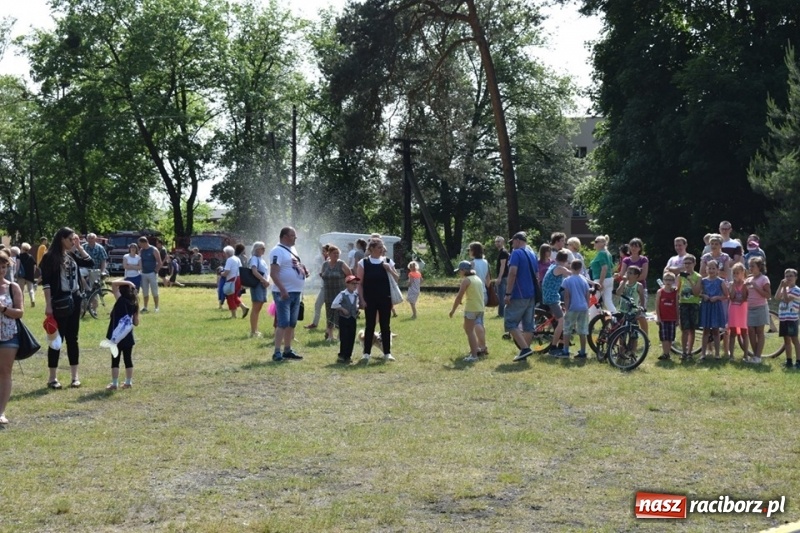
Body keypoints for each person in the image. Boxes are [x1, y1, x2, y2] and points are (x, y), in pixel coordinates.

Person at [42, 227, 95, 389]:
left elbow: (90, 263)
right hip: (59, 301)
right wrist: (48, 305)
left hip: (75, 298)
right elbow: (46, 283)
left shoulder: (71, 255)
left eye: (74, 239)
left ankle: (74, 377)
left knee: (73, 338)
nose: (73, 241)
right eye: (71, 239)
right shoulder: (49, 257)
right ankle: (52, 378)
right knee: (57, 339)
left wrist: (79, 247)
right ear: (61, 239)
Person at [356, 238, 399, 362]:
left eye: (382, 247)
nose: (382, 249)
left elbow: (397, 279)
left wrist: (389, 269)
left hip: (385, 299)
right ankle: (366, 353)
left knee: (385, 325)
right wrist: (362, 299)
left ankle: (387, 353)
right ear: (372, 249)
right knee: (369, 326)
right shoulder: (363, 263)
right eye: (379, 247)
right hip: (369, 299)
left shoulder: (388, 261)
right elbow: (360, 283)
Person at [269, 227, 308, 361]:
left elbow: (292, 266)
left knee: (292, 323)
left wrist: (302, 270)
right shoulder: (277, 251)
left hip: (295, 292)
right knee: (283, 323)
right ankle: (277, 352)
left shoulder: (292, 250)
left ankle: (287, 349)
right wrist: (282, 290)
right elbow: (273, 273)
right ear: (285, 236)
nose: (295, 238)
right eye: (293, 236)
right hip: (284, 292)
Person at [505, 232, 539, 362]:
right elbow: (537, 275)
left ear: (518, 241)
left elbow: (512, 273)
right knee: (529, 325)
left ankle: (525, 349)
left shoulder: (516, 253)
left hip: (519, 293)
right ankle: (524, 352)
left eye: (512, 242)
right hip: (531, 293)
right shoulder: (532, 254)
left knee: (510, 322)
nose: (512, 245)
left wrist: (508, 293)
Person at [0, 250, 24, 425]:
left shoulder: (12, 287)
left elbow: (19, 312)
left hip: (9, 336)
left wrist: (2, 309)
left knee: (5, 372)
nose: (1, 270)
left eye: (3, 267)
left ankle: (1, 411)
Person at [105, 279, 140, 390]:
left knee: (115, 360)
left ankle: (114, 384)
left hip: (116, 336)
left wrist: (128, 283)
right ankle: (128, 382)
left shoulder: (120, 300)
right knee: (128, 359)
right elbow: (136, 322)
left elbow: (114, 283)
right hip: (128, 335)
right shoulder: (134, 304)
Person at [449, 261, 486, 362]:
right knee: (468, 327)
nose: (459, 273)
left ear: (464, 270)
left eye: (459, 271)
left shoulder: (466, 280)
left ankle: (474, 355)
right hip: (480, 308)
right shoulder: (477, 278)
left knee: (469, 331)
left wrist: (452, 310)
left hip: (471, 308)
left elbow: (459, 296)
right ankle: (479, 348)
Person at [695, 261, 728, 359]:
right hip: (706, 307)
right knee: (705, 331)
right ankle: (703, 353)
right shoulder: (703, 281)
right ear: (706, 269)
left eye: (713, 268)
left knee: (716, 331)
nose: (711, 270)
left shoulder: (720, 281)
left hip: (716, 307)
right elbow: (697, 292)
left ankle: (717, 354)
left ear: (717, 270)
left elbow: (726, 295)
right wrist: (703, 295)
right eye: (709, 268)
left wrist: (717, 297)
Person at [542, 250, 570, 356]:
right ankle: (553, 348)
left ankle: (562, 345)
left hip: (550, 296)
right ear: (565, 260)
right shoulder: (560, 268)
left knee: (564, 318)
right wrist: (591, 283)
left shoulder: (553, 265)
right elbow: (574, 275)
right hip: (552, 298)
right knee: (561, 321)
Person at [321, 245, 351, 342]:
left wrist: (349, 287)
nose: (336, 255)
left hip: (339, 293)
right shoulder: (325, 264)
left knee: (340, 314)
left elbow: (350, 275)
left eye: (338, 253)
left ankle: (339, 335)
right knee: (329, 314)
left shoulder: (341, 264)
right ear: (329, 254)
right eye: (334, 253)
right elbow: (322, 274)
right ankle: (330, 336)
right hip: (328, 293)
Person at [619, 238, 650, 335]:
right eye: (632, 245)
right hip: (628, 288)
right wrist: (628, 280)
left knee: (640, 315)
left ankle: (645, 336)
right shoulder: (626, 260)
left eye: (636, 246)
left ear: (640, 248)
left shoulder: (643, 259)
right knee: (627, 314)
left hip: (640, 288)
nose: (634, 248)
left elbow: (644, 275)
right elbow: (622, 273)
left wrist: (632, 280)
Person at [561, 259, 590, 359]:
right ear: (581, 268)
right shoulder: (583, 279)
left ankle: (565, 350)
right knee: (582, 330)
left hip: (573, 307)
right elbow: (587, 294)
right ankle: (582, 351)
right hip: (583, 307)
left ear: (571, 268)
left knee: (567, 329)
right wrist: (587, 305)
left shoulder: (567, 280)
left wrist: (567, 308)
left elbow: (567, 296)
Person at [745, 256, 771, 364]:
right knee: (751, 331)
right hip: (750, 308)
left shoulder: (764, 279)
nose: (750, 268)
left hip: (760, 307)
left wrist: (756, 287)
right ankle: (755, 356)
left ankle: (758, 356)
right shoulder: (749, 279)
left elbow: (768, 295)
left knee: (759, 332)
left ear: (759, 267)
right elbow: (745, 295)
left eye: (752, 266)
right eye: (749, 265)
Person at [331, 275, 361, 364]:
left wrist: (357, 308)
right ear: (347, 284)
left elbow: (357, 304)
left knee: (351, 337)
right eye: (352, 283)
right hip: (344, 318)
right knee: (344, 337)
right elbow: (334, 304)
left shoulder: (356, 295)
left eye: (356, 283)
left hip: (352, 318)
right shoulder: (342, 294)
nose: (355, 285)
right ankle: (342, 355)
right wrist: (342, 309)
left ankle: (348, 355)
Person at [677, 254, 702, 360]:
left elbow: (696, 293)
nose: (687, 265)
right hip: (683, 304)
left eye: (689, 263)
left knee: (692, 329)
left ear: (694, 264)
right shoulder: (680, 276)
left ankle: (690, 352)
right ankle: (683, 351)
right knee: (684, 329)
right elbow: (677, 290)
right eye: (685, 263)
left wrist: (690, 279)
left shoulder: (698, 277)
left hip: (693, 304)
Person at [776, 268, 800, 369]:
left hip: (792, 318)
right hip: (784, 318)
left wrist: (785, 290)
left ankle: (798, 360)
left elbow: (786, 300)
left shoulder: (797, 290)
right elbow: (777, 297)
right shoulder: (784, 288)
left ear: (796, 278)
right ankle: (789, 360)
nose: (788, 278)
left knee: (794, 339)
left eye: (791, 276)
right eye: (787, 276)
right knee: (786, 340)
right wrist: (781, 286)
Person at [247, 242, 270, 338]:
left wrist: (267, 281)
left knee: (259, 307)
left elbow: (267, 272)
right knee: (256, 307)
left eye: (264, 248)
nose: (264, 250)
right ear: (257, 249)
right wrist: (263, 280)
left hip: (262, 284)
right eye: (262, 248)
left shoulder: (262, 260)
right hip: (257, 285)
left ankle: (256, 329)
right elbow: (254, 271)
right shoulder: (254, 259)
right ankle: (253, 331)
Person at [727, 262, 749, 361]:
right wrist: (733, 287)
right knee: (732, 333)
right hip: (733, 309)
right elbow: (731, 297)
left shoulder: (746, 284)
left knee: (744, 332)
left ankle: (745, 355)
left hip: (743, 310)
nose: (736, 275)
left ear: (743, 273)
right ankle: (731, 355)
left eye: (738, 273)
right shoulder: (732, 284)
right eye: (734, 273)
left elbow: (744, 297)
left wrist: (743, 285)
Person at [305, 244, 329, 330]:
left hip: (331, 288)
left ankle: (332, 326)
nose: (322, 253)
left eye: (324, 251)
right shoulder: (322, 259)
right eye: (322, 251)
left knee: (331, 308)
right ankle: (315, 323)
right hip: (324, 287)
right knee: (318, 304)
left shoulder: (330, 261)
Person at [221, 245, 249, 319]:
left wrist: (221, 273)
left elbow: (227, 272)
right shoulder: (237, 259)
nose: (223, 254)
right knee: (235, 296)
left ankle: (233, 315)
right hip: (238, 279)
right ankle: (244, 308)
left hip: (232, 279)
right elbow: (240, 269)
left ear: (227, 253)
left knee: (230, 297)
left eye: (224, 253)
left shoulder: (229, 260)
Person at [655, 272, 679, 360]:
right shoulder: (660, 292)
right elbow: (657, 305)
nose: (668, 281)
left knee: (670, 337)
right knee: (664, 337)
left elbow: (676, 305)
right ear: (663, 280)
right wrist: (658, 317)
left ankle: (667, 353)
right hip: (663, 318)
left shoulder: (675, 293)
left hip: (672, 318)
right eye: (666, 279)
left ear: (673, 281)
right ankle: (665, 353)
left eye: (670, 280)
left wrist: (677, 319)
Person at [590, 235, 616, 313]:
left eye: (596, 241)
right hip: (609, 279)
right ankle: (617, 319)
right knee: (608, 301)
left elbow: (604, 268)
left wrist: (600, 283)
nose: (594, 243)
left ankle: (590, 322)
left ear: (603, 243)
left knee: (593, 301)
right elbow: (611, 266)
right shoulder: (608, 253)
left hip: (600, 279)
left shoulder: (601, 253)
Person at [138, 236, 162, 313]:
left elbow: (159, 262)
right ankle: (145, 307)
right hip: (143, 273)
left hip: (152, 273)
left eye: (140, 244)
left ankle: (156, 307)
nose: (140, 246)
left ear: (144, 242)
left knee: (154, 291)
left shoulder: (154, 250)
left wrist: (155, 271)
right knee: (145, 291)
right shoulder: (141, 250)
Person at [468, 241, 491, 306]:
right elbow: (488, 281)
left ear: (473, 251)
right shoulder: (486, 262)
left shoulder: (472, 264)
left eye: (469, 250)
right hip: (483, 292)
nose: (469, 252)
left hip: (474, 293)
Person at [17, 242, 37, 308]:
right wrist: (33, 273)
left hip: (21, 275)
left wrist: (16, 273)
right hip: (30, 275)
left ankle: (22, 303)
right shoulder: (31, 257)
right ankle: (33, 299)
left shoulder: (19, 256)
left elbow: (18, 265)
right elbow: (34, 266)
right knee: (30, 289)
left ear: (22, 248)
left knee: (21, 290)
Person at [494, 236, 510, 317]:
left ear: (503, 242)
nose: (497, 243)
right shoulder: (501, 252)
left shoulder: (503, 252)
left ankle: (501, 314)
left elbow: (503, 265)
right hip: (504, 277)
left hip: (503, 277)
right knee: (502, 295)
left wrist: (499, 277)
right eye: (496, 241)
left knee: (501, 296)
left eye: (499, 241)